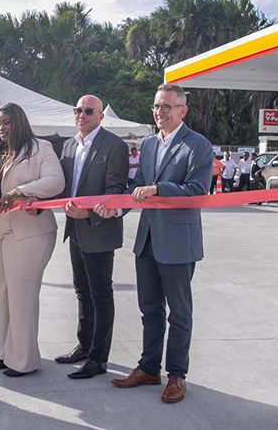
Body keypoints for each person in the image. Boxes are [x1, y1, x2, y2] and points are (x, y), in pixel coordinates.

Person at [95, 83, 211, 403]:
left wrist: (160, 189)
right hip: (146, 241)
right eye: (156, 107)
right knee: (149, 310)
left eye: (167, 107)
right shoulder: (147, 145)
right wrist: (115, 207)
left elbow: (198, 192)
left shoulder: (197, 146)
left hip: (177, 242)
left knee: (179, 313)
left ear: (182, 111)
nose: (160, 112)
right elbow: (136, 188)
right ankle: (148, 368)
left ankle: (176, 375)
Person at [0, 103, 65, 377]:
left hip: (29, 233)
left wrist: (21, 191)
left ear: (19, 123)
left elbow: (55, 181)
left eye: (7, 123)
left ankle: (24, 360)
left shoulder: (40, 148)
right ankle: (5, 353)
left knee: (21, 295)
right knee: (2, 294)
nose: (1, 128)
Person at [55, 95, 128, 379]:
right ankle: (84, 347)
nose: (82, 115)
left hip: (99, 231)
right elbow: (62, 186)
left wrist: (89, 215)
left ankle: (99, 359)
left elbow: (115, 190)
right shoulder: (70, 145)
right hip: (74, 231)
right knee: (81, 292)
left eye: (88, 111)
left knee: (101, 294)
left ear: (101, 116)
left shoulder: (114, 146)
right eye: (78, 110)